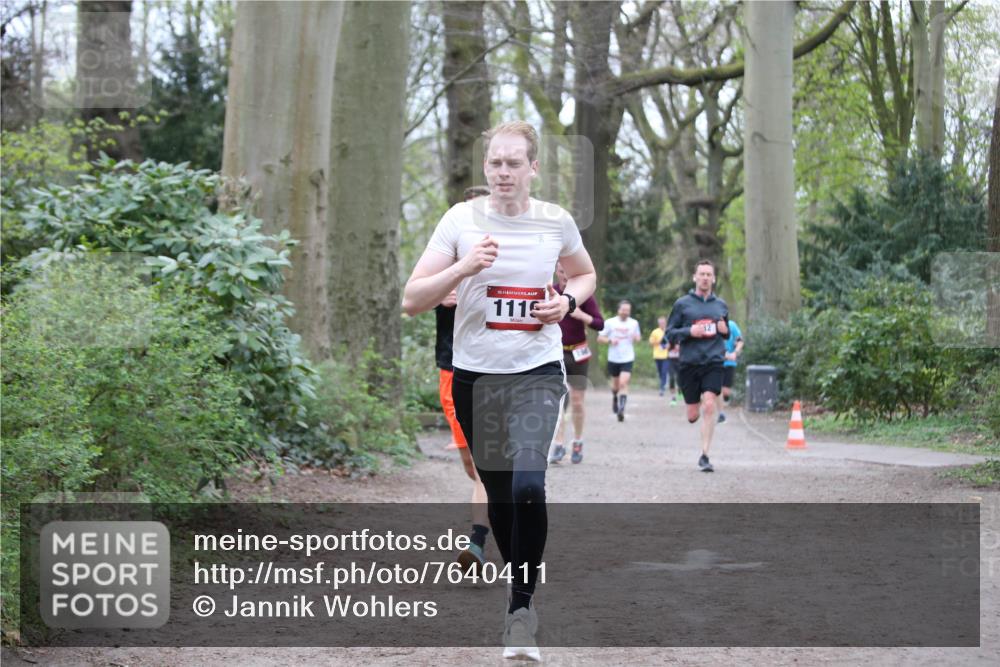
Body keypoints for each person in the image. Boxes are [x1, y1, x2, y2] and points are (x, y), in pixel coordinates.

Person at [402, 120, 597, 661]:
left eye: (514, 162)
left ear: (533, 168)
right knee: (503, 499)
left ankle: (520, 611)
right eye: (495, 162)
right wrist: (465, 267)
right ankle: (521, 577)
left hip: (536, 372)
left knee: (530, 486)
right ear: (485, 167)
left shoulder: (556, 222)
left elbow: (585, 276)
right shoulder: (459, 221)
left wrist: (567, 301)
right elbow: (412, 299)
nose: (503, 171)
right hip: (476, 379)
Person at [436, 185, 492, 575]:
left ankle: (477, 541)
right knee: (472, 465)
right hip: (450, 369)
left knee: (486, 463)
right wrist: (442, 292)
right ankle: (493, 514)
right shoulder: (444, 265)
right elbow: (413, 297)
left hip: (492, 372)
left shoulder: (510, 262)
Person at [666, 260, 729, 472]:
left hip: (713, 362)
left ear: (714, 279)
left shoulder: (720, 305)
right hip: (689, 363)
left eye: (708, 274)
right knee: (693, 415)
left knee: (710, 405)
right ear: (695, 277)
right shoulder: (682, 304)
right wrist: (689, 332)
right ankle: (693, 411)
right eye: (701, 274)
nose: (705, 278)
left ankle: (705, 455)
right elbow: (670, 333)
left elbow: (725, 331)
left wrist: (724, 330)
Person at [549, 261, 604, 465]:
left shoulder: (583, 295)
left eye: (568, 272)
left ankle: (578, 441)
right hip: (556, 353)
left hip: (579, 353)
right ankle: (559, 443)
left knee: (578, 401)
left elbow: (600, 323)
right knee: (560, 399)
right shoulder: (551, 292)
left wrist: (581, 315)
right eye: (562, 272)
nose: (565, 276)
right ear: (557, 271)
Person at [598, 300, 641, 422]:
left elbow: (638, 337)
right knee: (616, 385)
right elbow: (600, 338)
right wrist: (610, 341)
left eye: (628, 310)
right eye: (623, 310)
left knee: (624, 383)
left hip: (628, 358)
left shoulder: (634, 323)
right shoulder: (610, 322)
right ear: (618, 310)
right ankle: (615, 397)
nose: (626, 312)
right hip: (613, 358)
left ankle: (621, 409)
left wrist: (636, 338)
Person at [718, 320, 744, 423]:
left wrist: (735, 352)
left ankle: (730, 400)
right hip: (716, 362)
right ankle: (721, 414)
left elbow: (740, 341)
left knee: (726, 391)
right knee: (717, 389)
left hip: (729, 363)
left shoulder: (732, 325)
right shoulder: (712, 325)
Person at [648, 315, 670, 397]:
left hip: (666, 355)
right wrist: (659, 341)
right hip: (657, 355)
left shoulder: (669, 331)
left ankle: (662, 388)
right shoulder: (655, 332)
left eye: (663, 322)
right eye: (660, 323)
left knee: (664, 372)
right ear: (658, 323)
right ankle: (663, 383)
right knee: (660, 372)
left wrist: (669, 345)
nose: (662, 324)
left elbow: (674, 342)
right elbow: (650, 342)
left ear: (666, 323)